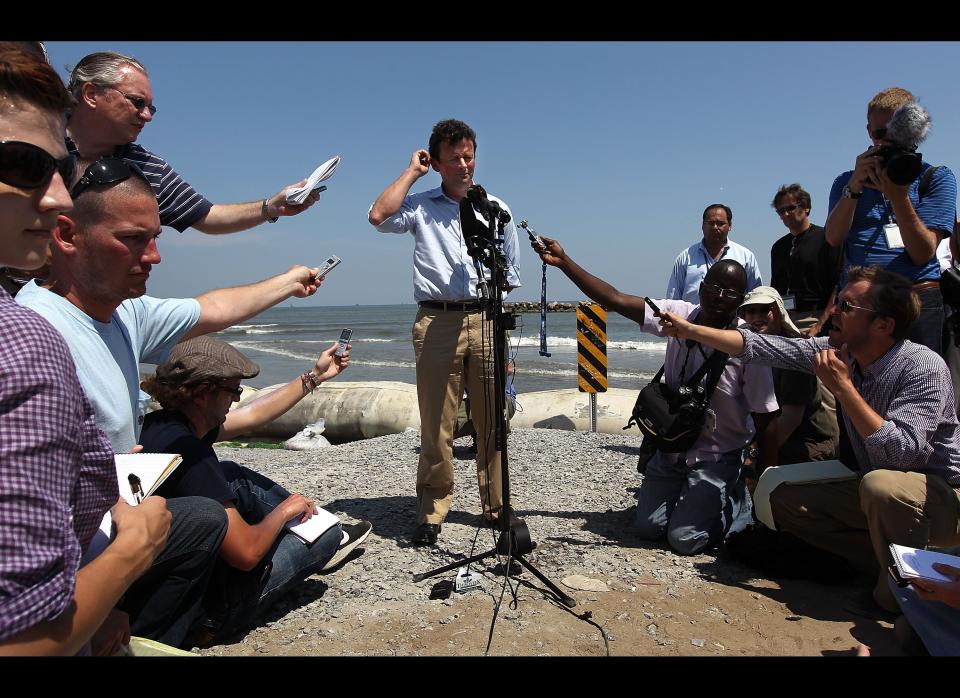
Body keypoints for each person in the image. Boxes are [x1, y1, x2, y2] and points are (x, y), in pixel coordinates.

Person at [0, 45, 222, 655]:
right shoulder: (28, 344)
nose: (54, 197)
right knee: (217, 522)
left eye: (59, 171)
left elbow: (215, 302)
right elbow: (24, 636)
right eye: (22, 165)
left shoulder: (119, 319)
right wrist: (124, 561)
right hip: (97, 565)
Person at [655, 265, 960, 615]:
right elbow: (760, 347)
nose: (833, 311)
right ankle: (888, 560)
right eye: (838, 302)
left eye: (847, 307)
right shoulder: (839, 351)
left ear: (883, 324)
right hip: (878, 489)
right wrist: (691, 329)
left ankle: (897, 595)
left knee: (882, 486)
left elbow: (901, 456)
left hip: (943, 497)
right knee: (780, 499)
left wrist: (845, 389)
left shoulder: (922, 367)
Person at [17, 156, 328, 454]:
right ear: (67, 234)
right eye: (133, 238)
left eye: (155, 237)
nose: (154, 256)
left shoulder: (125, 313)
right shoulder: (30, 334)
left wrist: (290, 282)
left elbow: (215, 309)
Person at [533, 236, 778, 555]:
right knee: (649, 529)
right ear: (702, 286)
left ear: (740, 298)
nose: (719, 295)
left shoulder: (747, 347)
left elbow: (766, 416)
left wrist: (766, 485)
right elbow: (616, 299)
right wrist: (564, 262)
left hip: (717, 454)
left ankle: (736, 502)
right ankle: (691, 501)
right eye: (714, 286)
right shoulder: (678, 315)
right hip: (672, 445)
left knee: (684, 540)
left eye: (730, 291)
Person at [139, 337, 372, 644]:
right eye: (233, 391)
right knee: (325, 534)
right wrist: (282, 513)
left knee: (232, 475)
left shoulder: (159, 426)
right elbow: (245, 555)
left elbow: (250, 416)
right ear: (202, 393)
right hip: (206, 612)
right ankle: (325, 537)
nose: (236, 400)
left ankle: (310, 528)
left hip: (160, 575)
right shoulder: (192, 455)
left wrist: (314, 377)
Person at [368, 119, 521, 546]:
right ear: (436, 162)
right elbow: (378, 216)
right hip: (436, 320)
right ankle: (433, 509)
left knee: (492, 418)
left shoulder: (496, 209)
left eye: (469, 155)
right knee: (437, 422)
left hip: (486, 317)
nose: (463, 164)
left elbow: (511, 272)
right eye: (453, 158)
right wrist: (411, 172)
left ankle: (497, 506)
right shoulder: (419, 205)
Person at [64, 51, 320, 235]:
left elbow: (207, 217)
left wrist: (272, 207)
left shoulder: (147, 168)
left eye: (151, 107)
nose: (148, 116)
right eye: (137, 102)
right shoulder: (32, 142)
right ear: (91, 94)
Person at [824, 87, 958, 355]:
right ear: (868, 131)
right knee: (853, 388)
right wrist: (854, 188)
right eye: (879, 133)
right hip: (860, 304)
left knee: (917, 388)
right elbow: (833, 238)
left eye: (896, 133)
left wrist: (898, 196)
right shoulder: (845, 182)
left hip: (915, 300)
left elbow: (922, 253)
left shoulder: (937, 178)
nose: (886, 142)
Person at [737, 287, 837, 469]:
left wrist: (753, 454)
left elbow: (791, 419)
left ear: (779, 312)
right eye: (751, 311)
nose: (757, 316)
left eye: (765, 309)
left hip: (806, 442)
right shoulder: (745, 354)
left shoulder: (793, 354)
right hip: (765, 436)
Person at [769, 183, 842, 336]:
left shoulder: (827, 238)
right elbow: (774, 289)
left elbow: (838, 284)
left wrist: (821, 324)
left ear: (806, 207)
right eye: (781, 211)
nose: (786, 214)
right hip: (785, 321)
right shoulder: (779, 247)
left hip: (814, 320)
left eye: (790, 208)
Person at [665, 203, 762, 303]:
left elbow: (756, 296)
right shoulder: (685, 257)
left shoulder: (745, 257)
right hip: (690, 318)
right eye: (711, 223)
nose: (715, 227)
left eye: (720, 223)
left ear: (730, 226)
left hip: (734, 318)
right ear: (702, 225)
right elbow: (673, 299)